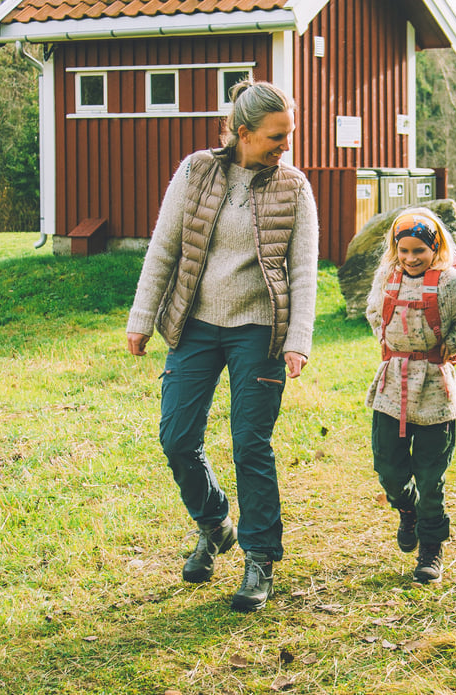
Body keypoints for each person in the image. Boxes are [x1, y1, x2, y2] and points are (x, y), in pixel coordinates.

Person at [126, 79, 318, 611]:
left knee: (250, 444)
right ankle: (215, 526)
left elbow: (303, 273)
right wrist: (142, 317)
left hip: (260, 331)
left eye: (290, 135)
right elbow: (164, 249)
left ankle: (260, 558)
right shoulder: (196, 171)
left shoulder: (294, 186)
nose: (286, 147)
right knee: (176, 437)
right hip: (194, 325)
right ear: (242, 132)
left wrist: (298, 339)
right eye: (276, 137)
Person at [365, 208, 456, 584]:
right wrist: (388, 340)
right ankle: (406, 508)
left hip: (435, 391)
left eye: (419, 252)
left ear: (435, 248)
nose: (411, 259)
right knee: (389, 470)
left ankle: (431, 546)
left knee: (431, 478)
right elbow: (373, 311)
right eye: (404, 250)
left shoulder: (451, 283)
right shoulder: (387, 278)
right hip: (392, 386)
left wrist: (453, 344)